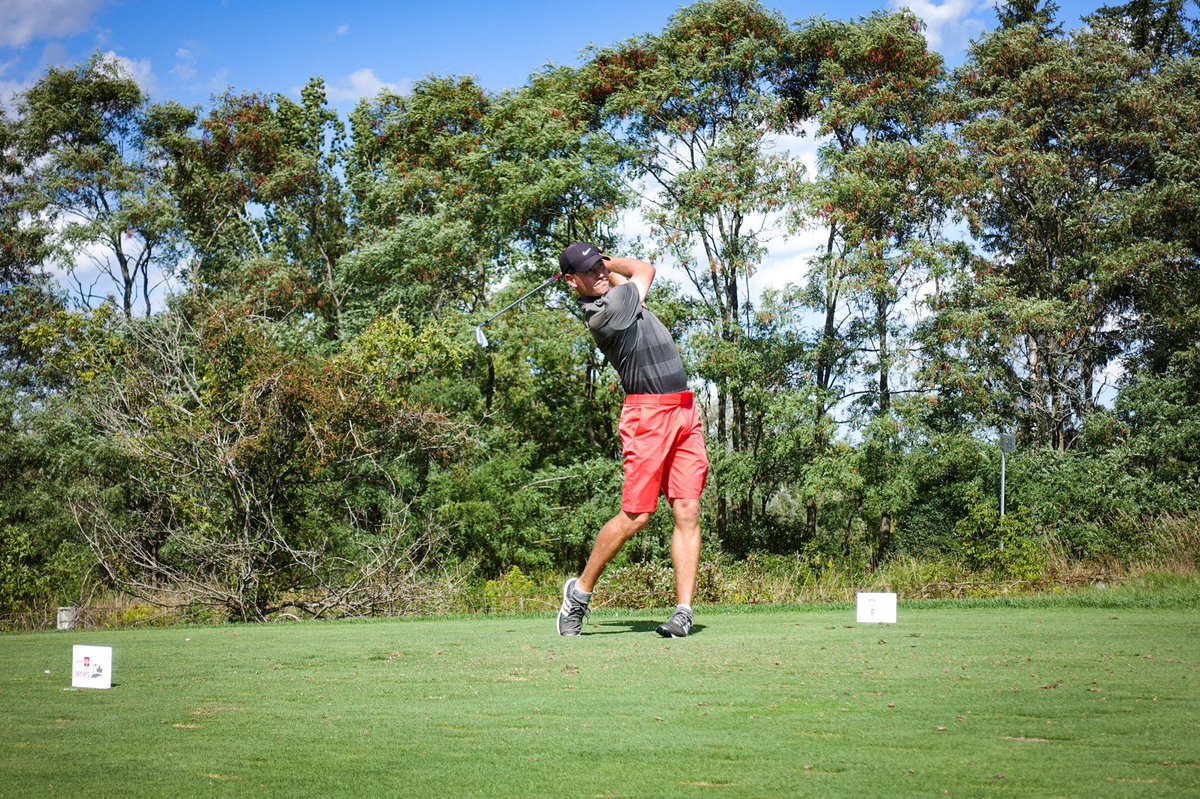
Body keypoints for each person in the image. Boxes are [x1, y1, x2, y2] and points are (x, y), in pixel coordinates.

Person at [554, 241, 709, 638]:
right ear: (572, 281)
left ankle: (683, 611)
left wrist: (599, 266)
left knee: (687, 509)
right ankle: (580, 593)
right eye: (590, 271)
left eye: (600, 267)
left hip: (684, 409)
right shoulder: (605, 313)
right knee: (637, 516)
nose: (600, 273)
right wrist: (607, 260)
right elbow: (644, 270)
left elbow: (624, 280)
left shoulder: (617, 296)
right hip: (648, 416)